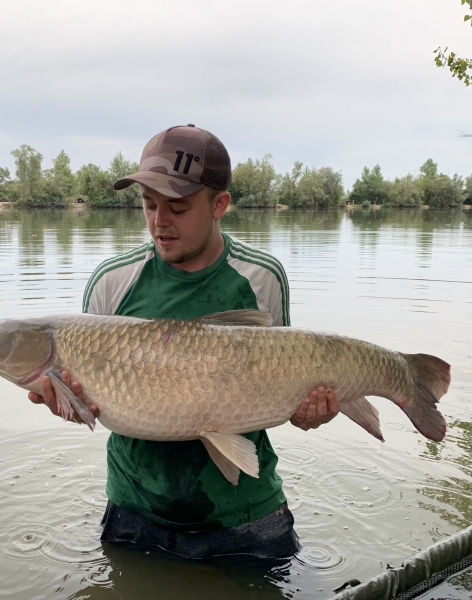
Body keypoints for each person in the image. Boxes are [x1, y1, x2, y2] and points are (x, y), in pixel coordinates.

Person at [28, 124, 339, 560]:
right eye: (149, 204)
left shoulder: (261, 277)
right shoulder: (112, 282)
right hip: (136, 508)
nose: (159, 221)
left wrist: (307, 412)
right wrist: (71, 404)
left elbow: (280, 385)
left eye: (177, 207)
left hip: (246, 514)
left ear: (220, 204)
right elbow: (95, 402)